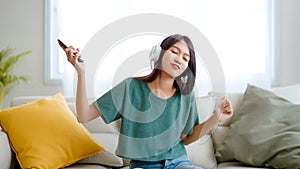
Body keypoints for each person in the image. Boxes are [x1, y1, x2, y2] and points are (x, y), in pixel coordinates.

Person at [64, 34, 233, 169]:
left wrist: (215, 118)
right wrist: (81, 73)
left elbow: (187, 138)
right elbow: (84, 116)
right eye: (174, 51)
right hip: (143, 165)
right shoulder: (130, 87)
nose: (179, 59)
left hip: (178, 163)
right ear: (158, 54)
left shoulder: (185, 96)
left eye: (185, 58)